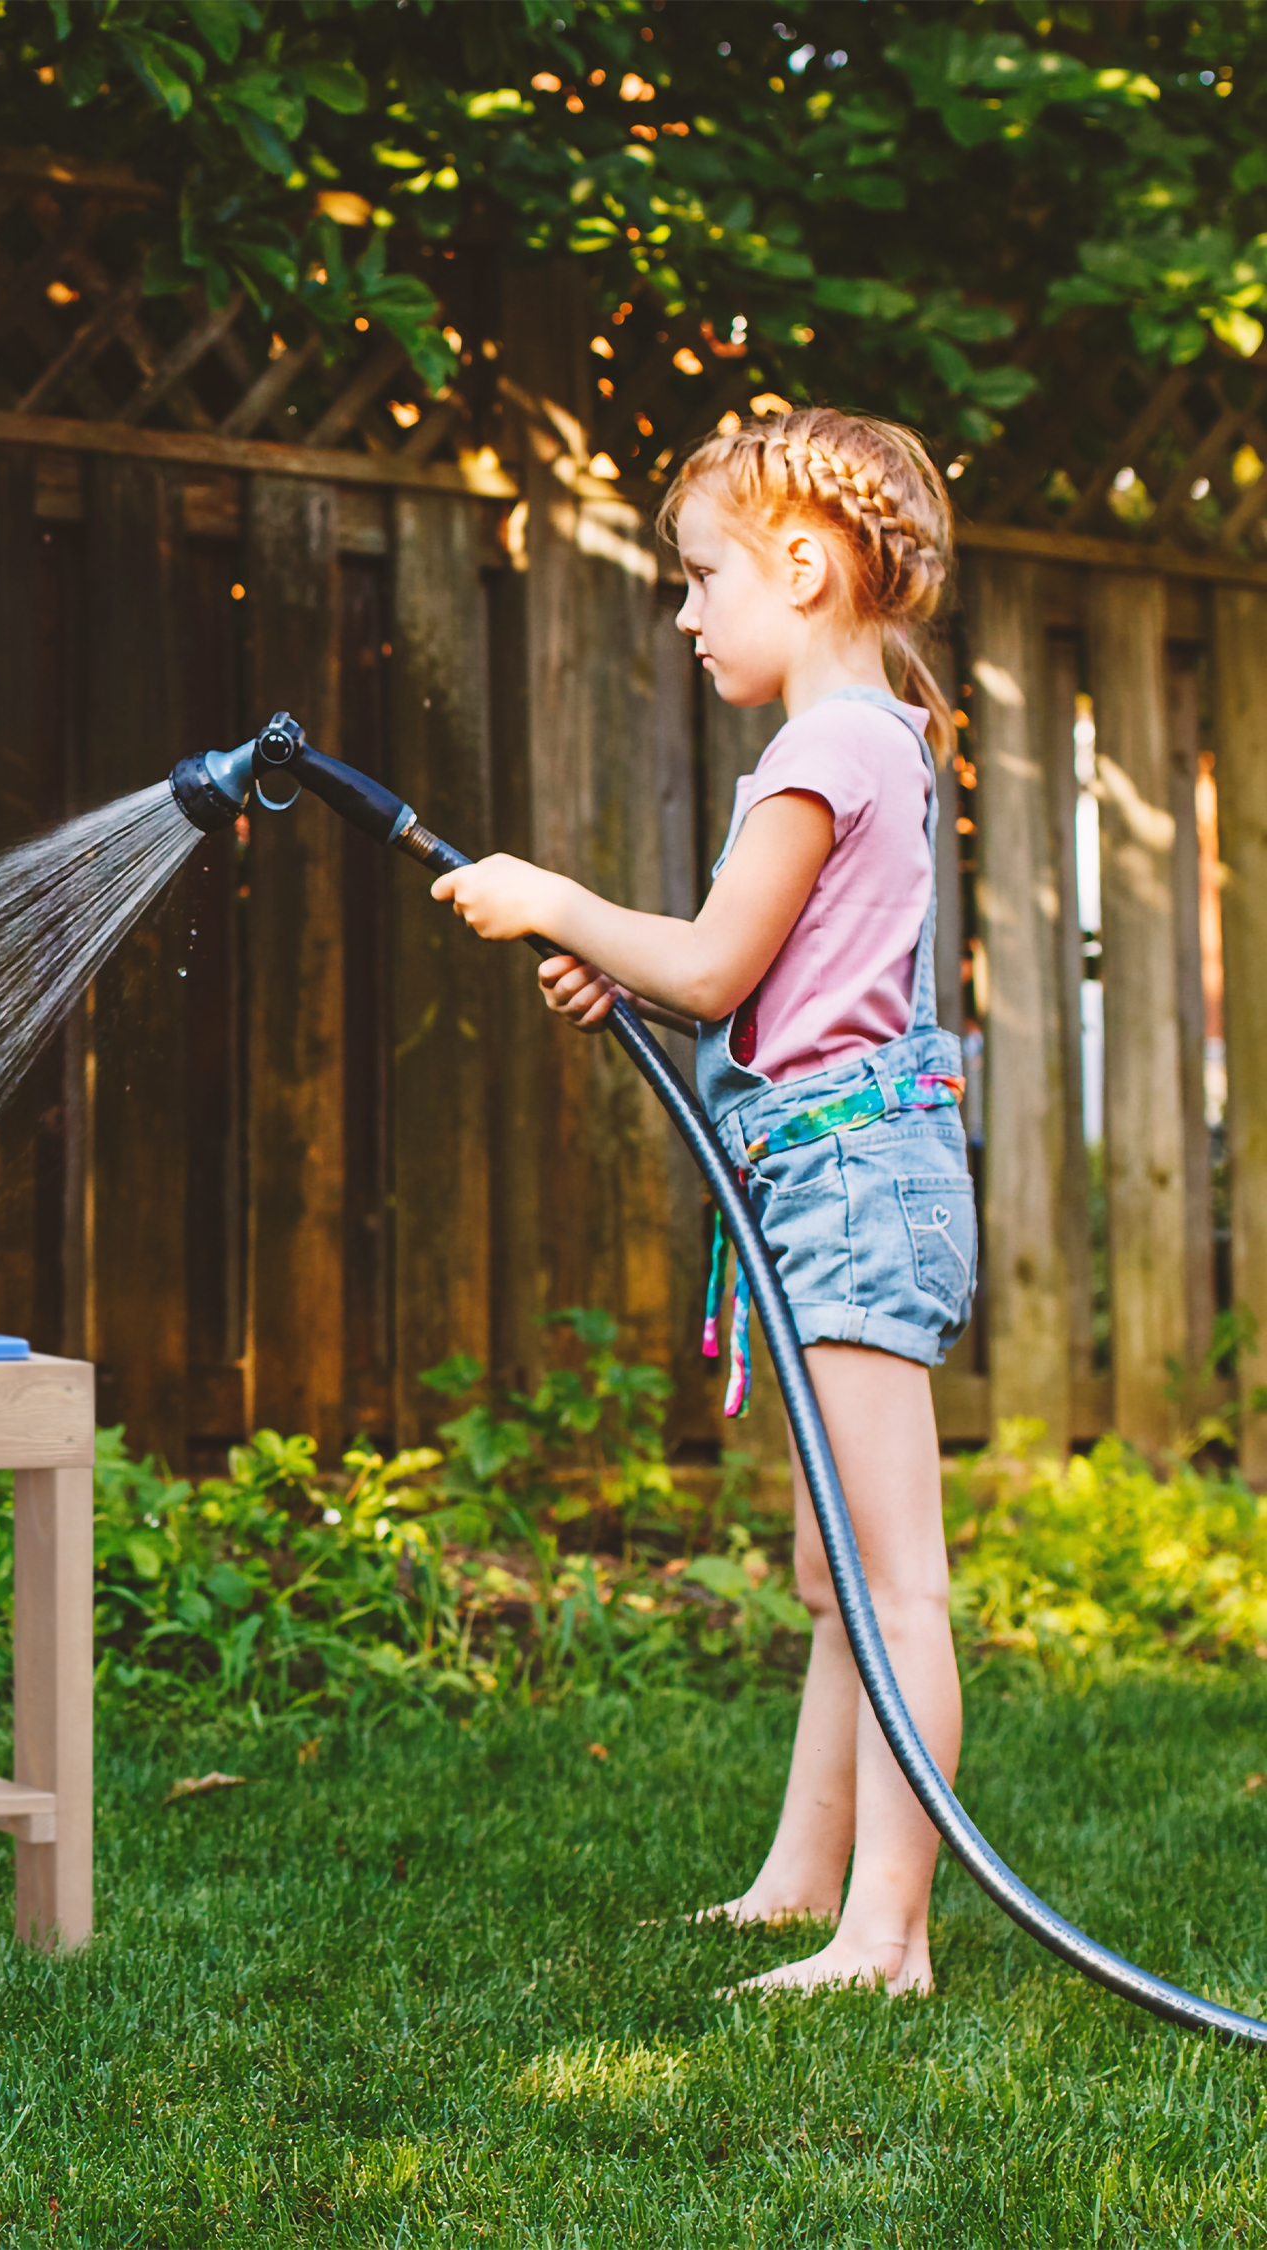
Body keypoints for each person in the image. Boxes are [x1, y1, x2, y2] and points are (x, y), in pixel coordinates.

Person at [430, 407, 974, 1997]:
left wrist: (559, 904)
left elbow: (721, 962)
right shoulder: (865, 740)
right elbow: (769, 990)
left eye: (702, 577)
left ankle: (889, 1937)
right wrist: (634, 971)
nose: (685, 611)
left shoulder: (829, 747)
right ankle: (806, 1882)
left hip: (855, 1186)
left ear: (800, 565)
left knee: (895, 1582)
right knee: (835, 1576)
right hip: (826, 1175)